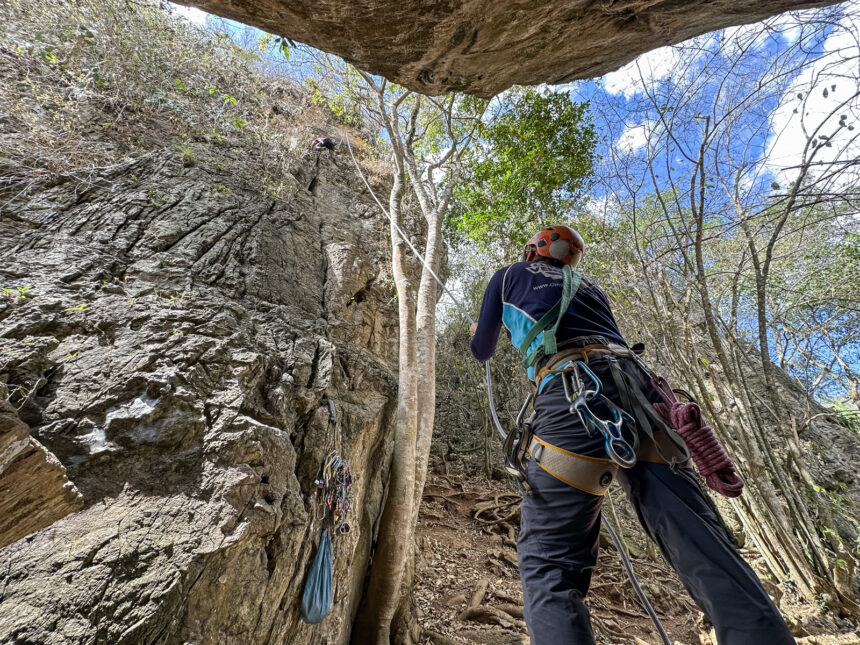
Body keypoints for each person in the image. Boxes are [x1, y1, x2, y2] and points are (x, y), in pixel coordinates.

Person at [469, 224, 795, 644]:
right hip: (645, 397)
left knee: (550, 566)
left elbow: (482, 350)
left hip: (572, 397)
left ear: (533, 251)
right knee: (701, 542)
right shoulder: (591, 289)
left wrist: (490, 325)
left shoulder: (509, 274)